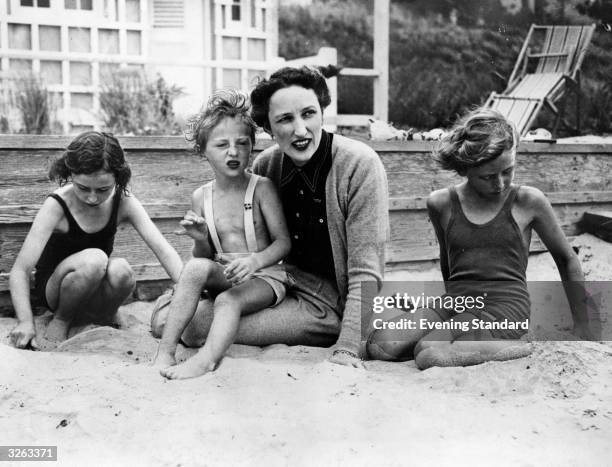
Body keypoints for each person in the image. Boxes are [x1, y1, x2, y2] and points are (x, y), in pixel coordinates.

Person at [152, 66, 389, 367]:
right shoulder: (268, 165)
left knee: (196, 326)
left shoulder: (359, 164)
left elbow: (366, 271)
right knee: (188, 317)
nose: (300, 130)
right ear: (269, 129)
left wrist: (347, 348)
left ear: (322, 112)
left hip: (328, 302)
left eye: (309, 114)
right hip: (277, 283)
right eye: (285, 119)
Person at [367, 108, 594, 369]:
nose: (499, 183)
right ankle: (459, 335)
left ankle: (522, 343)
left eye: (508, 171)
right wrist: (445, 315)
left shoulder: (528, 201)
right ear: (465, 170)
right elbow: (447, 262)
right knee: (380, 346)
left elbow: (567, 259)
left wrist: (583, 325)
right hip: (459, 302)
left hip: (504, 307)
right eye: (487, 176)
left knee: (429, 353)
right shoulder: (441, 203)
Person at [153, 90, 292, 379]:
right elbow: (204, 259)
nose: (233, 152)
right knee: (193, 268)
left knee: (227, 302)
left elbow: (283, 243)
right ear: (203, 150)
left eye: (242, 143)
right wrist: (201, 237)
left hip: (264, 276)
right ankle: (165, 352)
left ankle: (206, 360)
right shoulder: (201, 197)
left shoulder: (261, 188)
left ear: (251, 147)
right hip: (225, 273)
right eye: (221, 145)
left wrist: (254, 262)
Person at [9, 131, 183, 350]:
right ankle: (62, 320)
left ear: (118, 180)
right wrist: (25, 322)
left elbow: (164, 250)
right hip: (57, 290)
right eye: (83, 188)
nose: (92, 197)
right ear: (70, 173)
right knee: (95, 259)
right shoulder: (57, 205)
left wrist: (190, 291)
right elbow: (20, 270)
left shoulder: (123, 202)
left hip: (95, 287)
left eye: (103, 189)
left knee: (122, 270)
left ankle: (104, 317)